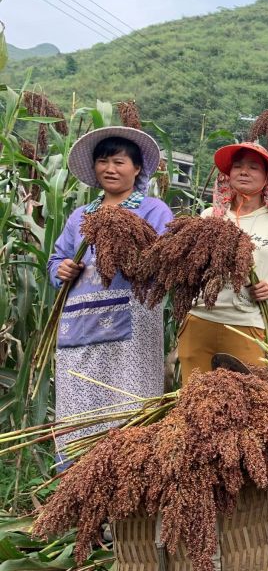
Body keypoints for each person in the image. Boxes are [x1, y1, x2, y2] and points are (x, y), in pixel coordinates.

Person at [49, 126, 173, 470]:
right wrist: (61, 270)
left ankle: (129, 485)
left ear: (137, 169)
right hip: (79, 328)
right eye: (103, 162)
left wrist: (135, 256)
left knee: (128, 405)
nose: (110, 169)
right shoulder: (81, 216)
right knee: (80, 405)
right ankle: (77, 484)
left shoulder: (154, 210)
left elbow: (167, 259)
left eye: (119, 162)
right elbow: (56, 258)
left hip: (131, 330)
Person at [177, 142, 268, 381]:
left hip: (247, 326)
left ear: (267, 179)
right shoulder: (211, 217)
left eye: (253, 167)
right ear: (228, 175)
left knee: (248, 404)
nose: (244, 171)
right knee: (194, 402)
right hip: (200, 321)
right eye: (238, 166)